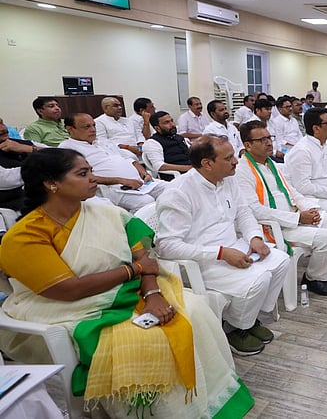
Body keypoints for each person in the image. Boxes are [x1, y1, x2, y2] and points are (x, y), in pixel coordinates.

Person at [0, 148, 254, 417]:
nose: (94, 178)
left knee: (195, 310)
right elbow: (68, 290)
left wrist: (154, 294)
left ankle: (210, 401)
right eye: (83, 173)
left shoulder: (105, 212)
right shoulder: (24, 236)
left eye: (91, 170)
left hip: (131, 290)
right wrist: (135, 271)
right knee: (146, 339)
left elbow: (144, 253)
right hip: (68, 307)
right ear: (52, 184)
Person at [156, 135, 290, 356]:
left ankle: (248, 319)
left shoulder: (227, 179)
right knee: (259, 279)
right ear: (207, 164)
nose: (236, 161)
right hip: (201, 261)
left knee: (280, 261)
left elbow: (243, 212)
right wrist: (220, 253)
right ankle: (234, 329)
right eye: (228, 158)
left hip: (234, 247)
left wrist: (255, 238)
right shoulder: (179, 193)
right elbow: (166, 247)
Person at [236, 121, 327, 295]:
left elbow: (292, 192)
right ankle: (314, 278)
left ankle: (325, 272)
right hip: (273, 227)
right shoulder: (242, 171)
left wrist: (310, 209)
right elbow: (255, 210)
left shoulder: (271, 164)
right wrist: (298, 218)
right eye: (262, 140)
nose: (269, 142)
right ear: (248, 145)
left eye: (269, 138)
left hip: (294, 215)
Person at [59, 114, 166, 211]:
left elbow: (131, 160)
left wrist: (145, 174)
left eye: (94, 125)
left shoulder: (103, 142)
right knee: (146, 202)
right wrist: (121, 180)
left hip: (140, 182)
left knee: (172, 189)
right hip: (112, 188)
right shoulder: (68, 148)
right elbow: (82, 177)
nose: (93, 130)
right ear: (70, 129)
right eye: (87, 127)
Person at [0, 120, 39, 211]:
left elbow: (62, 155)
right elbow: (6, 179)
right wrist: (47, 166)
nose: (2, 128)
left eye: (1, 123)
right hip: (10, 207)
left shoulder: (18, 143)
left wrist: (29, 149)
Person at [142, 111, 193, 179]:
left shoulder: (179, 137)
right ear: (157, 128)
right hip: (176, 176)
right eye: (167, 122)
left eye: (172, 121)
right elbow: (159, 166)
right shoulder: (152, 143)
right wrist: (188, 168)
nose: (172, 125)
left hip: (193, 172)